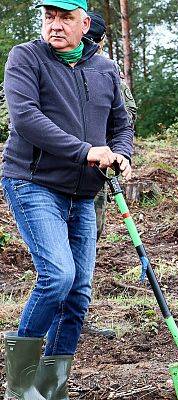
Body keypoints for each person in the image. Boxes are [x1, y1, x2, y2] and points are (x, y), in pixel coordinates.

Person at [1, 0, 134, 397]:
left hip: (84, 193)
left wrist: (122, 152)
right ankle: (20, 386)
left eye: (65, 18)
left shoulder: (104, 68)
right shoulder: (26, 58)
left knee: (77, 294)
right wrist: (85, 151)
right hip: (33, 182)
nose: (55, 26)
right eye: (49, 17)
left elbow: (121, 124)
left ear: (84, 23)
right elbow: (25, 119)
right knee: (58, 276)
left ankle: (49, 389)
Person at [83, 11, 137, 243]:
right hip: (85, 160)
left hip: (97, 160)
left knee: (87, 231)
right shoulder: (109, 69)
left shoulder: (108, 69)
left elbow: (125, 118)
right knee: (88, 231)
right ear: (103, 40)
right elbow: (129, 114)